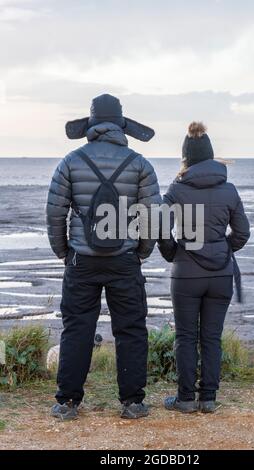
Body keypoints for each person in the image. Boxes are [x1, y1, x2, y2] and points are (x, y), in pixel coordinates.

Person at [46, 94, 161, 420]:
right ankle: (132, 403)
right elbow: (152, 215)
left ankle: (67, 403)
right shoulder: (139, 163)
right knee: (131, 329)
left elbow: (55, 212)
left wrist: (63, 251)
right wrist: (141, 250)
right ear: (120, 124)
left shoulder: (70, 161)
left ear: (92, 124)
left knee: (77, 329)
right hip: (124, 259)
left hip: (81, 261)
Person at [158, 122, 250, 414]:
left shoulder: (177, 188)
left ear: (186, 158)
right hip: (221, 274)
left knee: (186, 336)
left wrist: (173, 251)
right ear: (211, 157)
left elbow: (161, 226)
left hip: (187, 272)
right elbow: (242, 233)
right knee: (212, 336)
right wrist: (223, 248)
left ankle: (185, 399)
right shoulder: (230, 189)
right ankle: (208, 398)